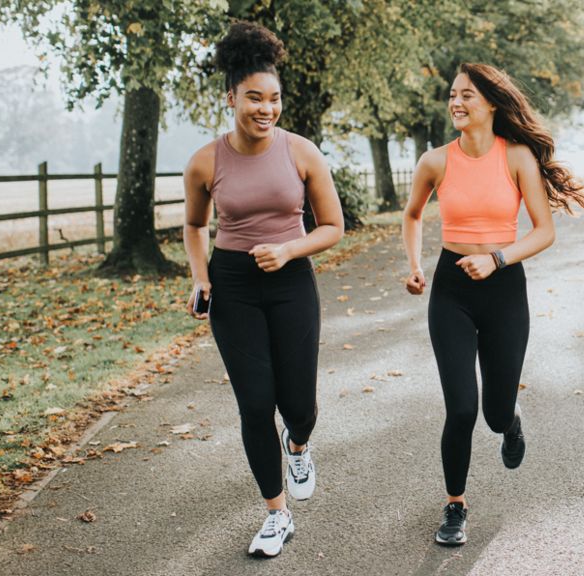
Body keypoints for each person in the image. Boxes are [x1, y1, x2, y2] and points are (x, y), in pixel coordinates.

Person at [402, 63, 584, 546]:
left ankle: (510, 421)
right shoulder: (436, 161)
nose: (456, 103)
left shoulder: (518, 157)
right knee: (462, 408)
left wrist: (497, 259)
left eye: (466, 95)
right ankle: (455, 506)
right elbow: (412, 214)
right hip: (451, 291)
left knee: (493, 412)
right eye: (452, 95)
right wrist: (415, 265)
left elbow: (544, 231)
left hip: (504, 289)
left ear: (490, 102)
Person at [182, 21, 344, 557]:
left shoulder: (301, 152)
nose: (265, 109)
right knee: (255, 403)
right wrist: (201, 276)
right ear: (231, 97)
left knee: (299, 404)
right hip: (234, 286)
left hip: (292, 281)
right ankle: (277, 514)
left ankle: (298, 444)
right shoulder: (206, 161)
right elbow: (194, 224)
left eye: (273, 98)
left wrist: (290, 250)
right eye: (254, 97)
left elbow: (333, 227)